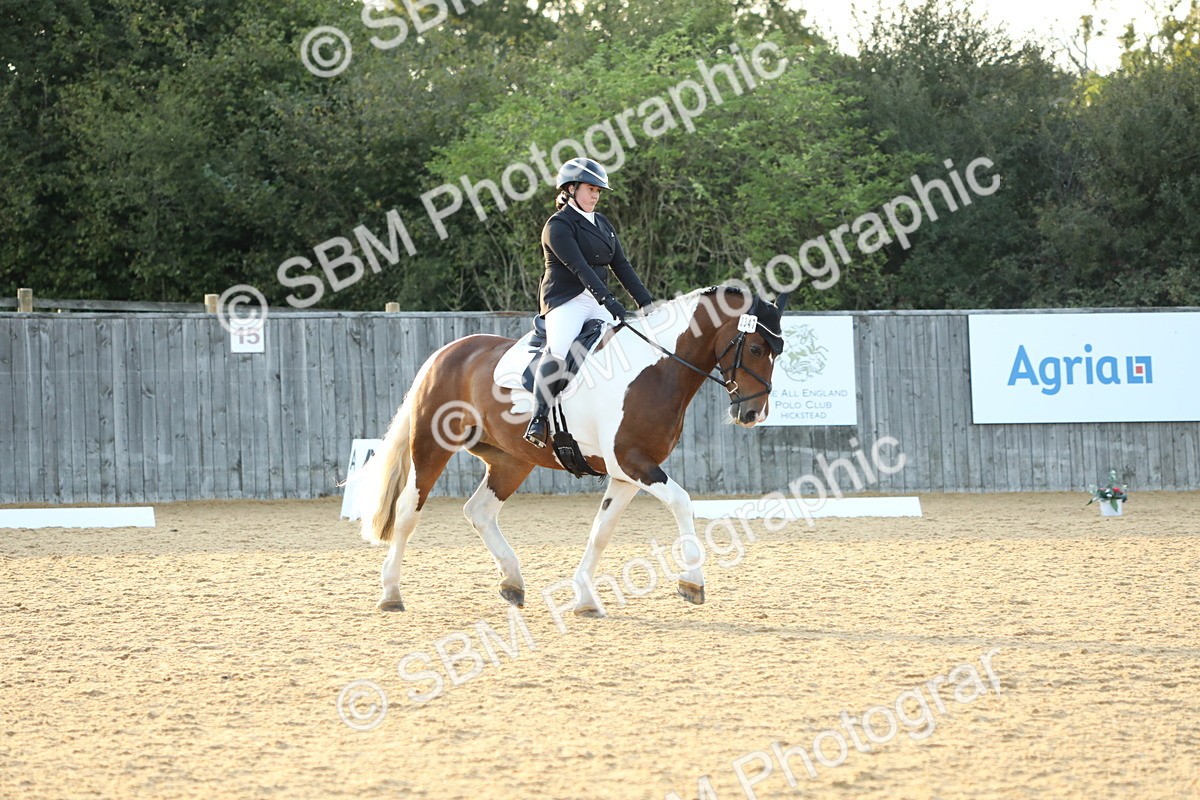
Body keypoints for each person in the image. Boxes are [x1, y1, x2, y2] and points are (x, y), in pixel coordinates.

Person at [522, 157, 654, 448]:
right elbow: (579, 268)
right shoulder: (557, 225)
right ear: (570, 189)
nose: (596, 195)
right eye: (590, 188)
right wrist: (610, 302)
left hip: (596, 300)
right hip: (565, 300)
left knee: (624, 345)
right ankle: (539, 418)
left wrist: (645, 303)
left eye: (599, 190)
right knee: (558, 349)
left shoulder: (603, 223)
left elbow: (622, 265)